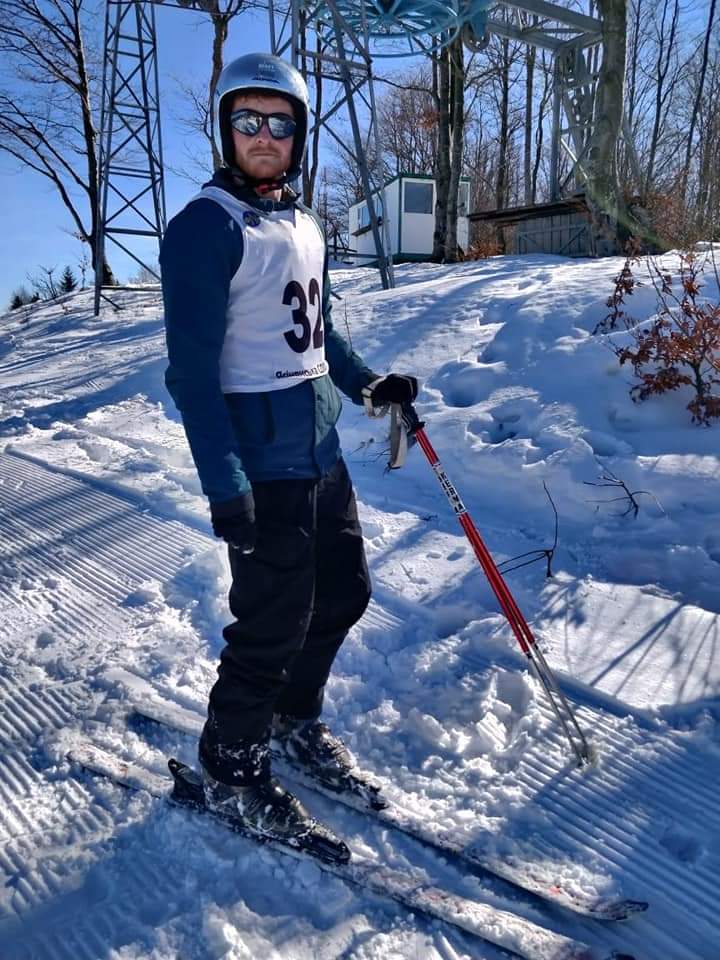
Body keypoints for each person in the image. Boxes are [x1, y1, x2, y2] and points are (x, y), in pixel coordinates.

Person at [160, 53, 419, 859]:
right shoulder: (205, 227)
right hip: (260, 465)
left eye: (280, 123)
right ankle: (229, 765)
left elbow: (320, 329)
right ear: (226, 129)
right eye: (248, 121)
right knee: (270, 624)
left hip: (320, 447)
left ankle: (291, 720)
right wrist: (223, 486)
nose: (264, 137)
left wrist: (368, 383)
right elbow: (191, 374)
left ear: (300, 134)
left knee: (343, 594)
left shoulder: (305, 223)